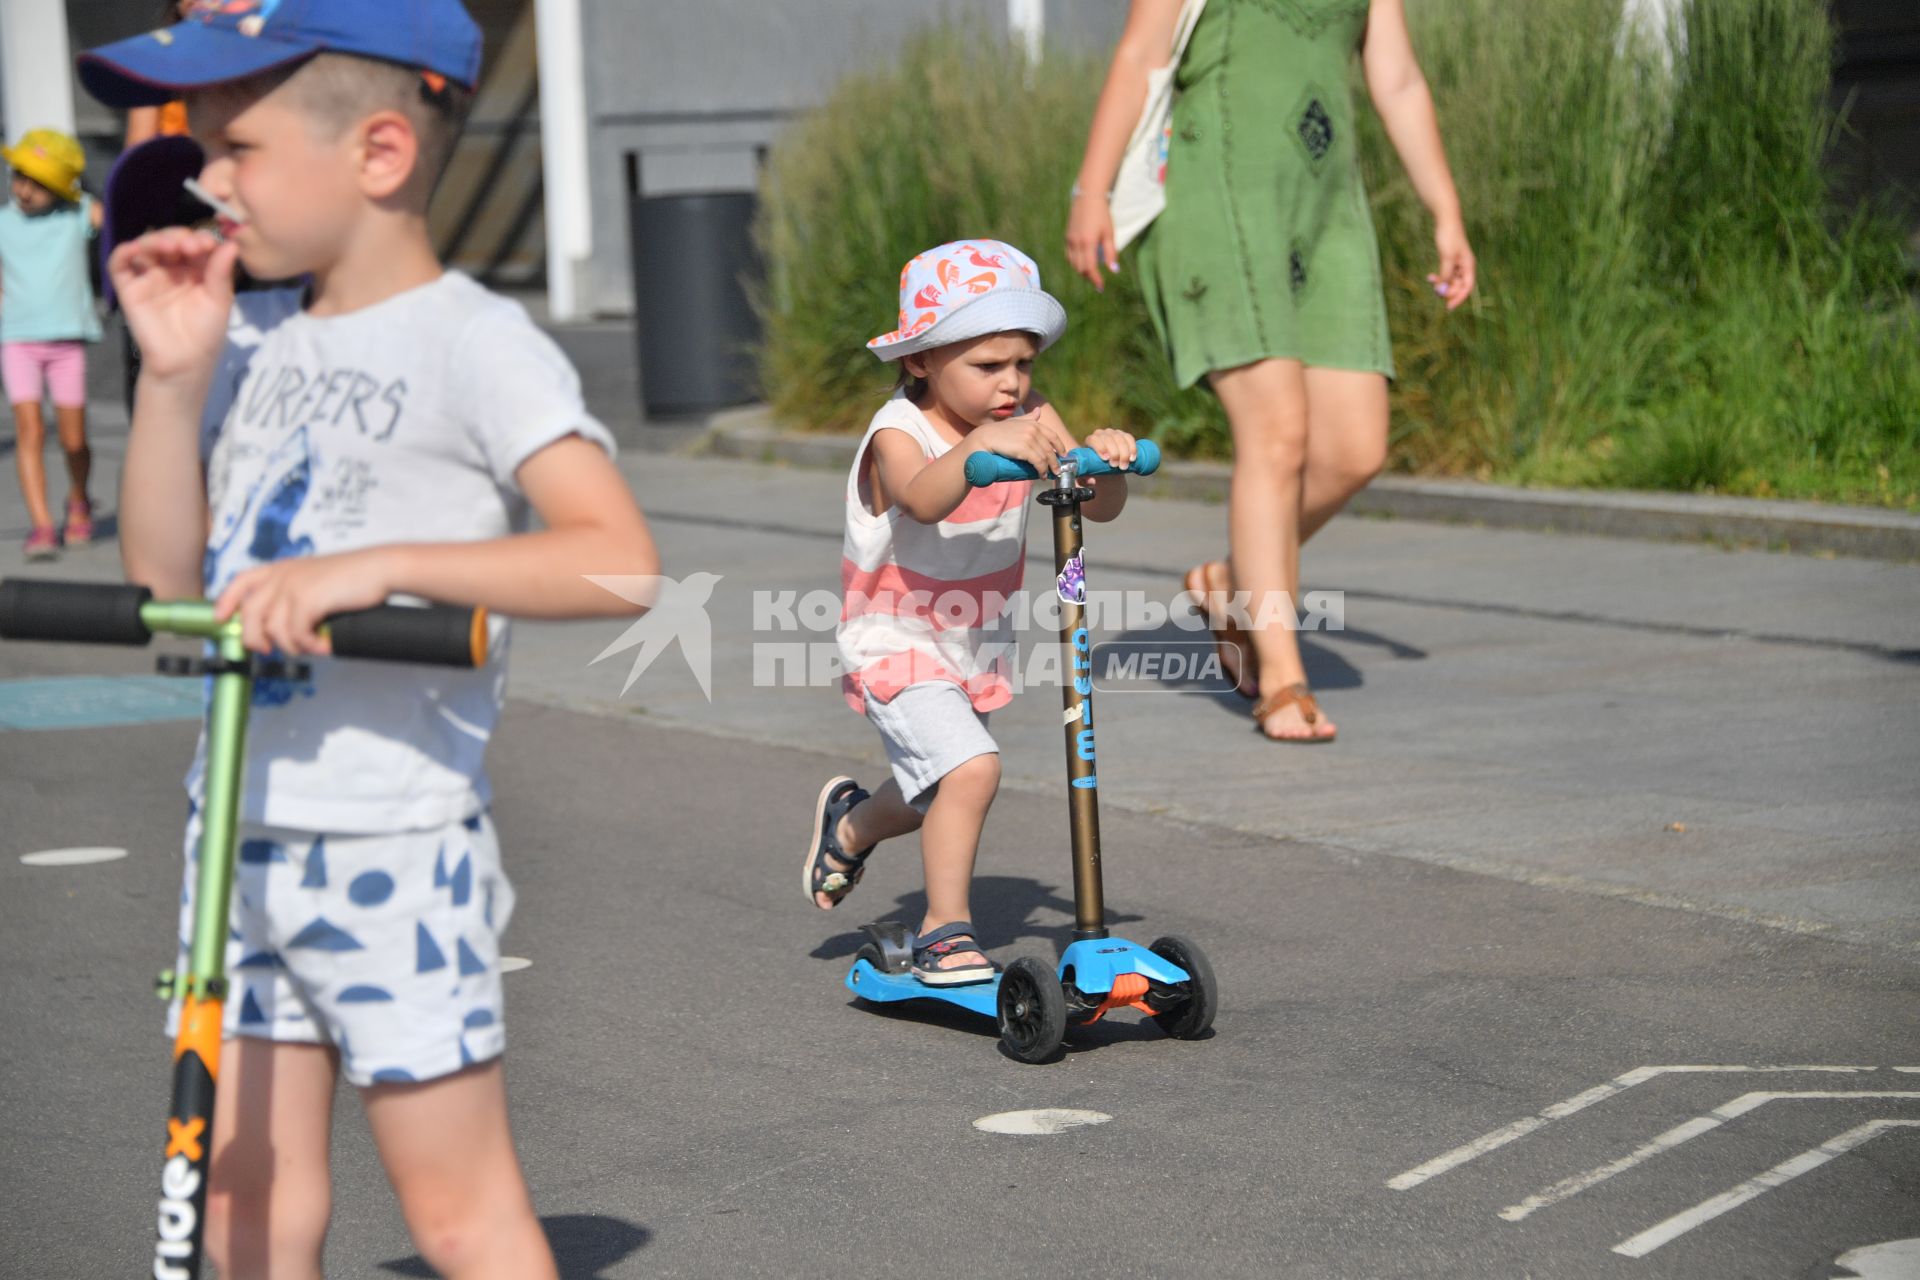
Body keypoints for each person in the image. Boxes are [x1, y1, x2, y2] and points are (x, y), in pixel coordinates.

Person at [79, 1, 660, 1275]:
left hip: (390, 841)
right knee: (245, 1206)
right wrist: (172, 383)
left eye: (236, 147)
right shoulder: (249, 336)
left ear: (380, 154)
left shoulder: (473, 341)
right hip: (234, 823)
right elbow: (163, 572)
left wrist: (379, 566)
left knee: (458, 1212)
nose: (206, 180)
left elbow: (617, 559)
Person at [1067, 0, 1477, 742]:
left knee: (1356, 449)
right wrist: (1091, 192)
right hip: (1219, 192)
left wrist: (1445, 210)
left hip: (1327, 211)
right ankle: (1282, 679)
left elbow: (1399, 79)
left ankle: (1231, 582)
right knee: (1278, 434)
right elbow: (1140, 52)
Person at [801, 239, 1139, 983]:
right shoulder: (900, 433)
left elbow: (1095, 502)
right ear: (921, 360)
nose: (1011, 383)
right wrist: (985, 443)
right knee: (972, 768)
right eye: (988, 367)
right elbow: (923, 495)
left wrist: (1104, 461)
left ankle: (851, 824)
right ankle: (944, 930)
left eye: (1023, 364)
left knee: (935, 790)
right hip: (892, 634)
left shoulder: (1030, 415)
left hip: (971, 641)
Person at [0, 128, 103, 560]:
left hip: (65, 342)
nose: (25, 189)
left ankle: (77, 496)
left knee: (73, 440)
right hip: (17, 339)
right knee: (30, 430)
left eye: (39, 182)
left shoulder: (77, 213)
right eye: (19, 176)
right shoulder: (3, 221)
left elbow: (111, 211)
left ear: (61, 188)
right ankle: (43, 525)